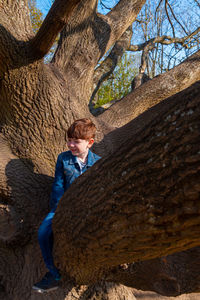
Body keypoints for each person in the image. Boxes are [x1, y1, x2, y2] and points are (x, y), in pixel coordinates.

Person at [32, 118, 101, 293]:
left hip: (88, 210)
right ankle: (54, 274)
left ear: (90, 143)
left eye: (76, 141)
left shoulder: (98, 163)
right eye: (69, 140)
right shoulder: (63, 159)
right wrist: (58, 208)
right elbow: (58, 185)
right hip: (62, 207)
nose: (70, 145)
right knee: (43, 233)